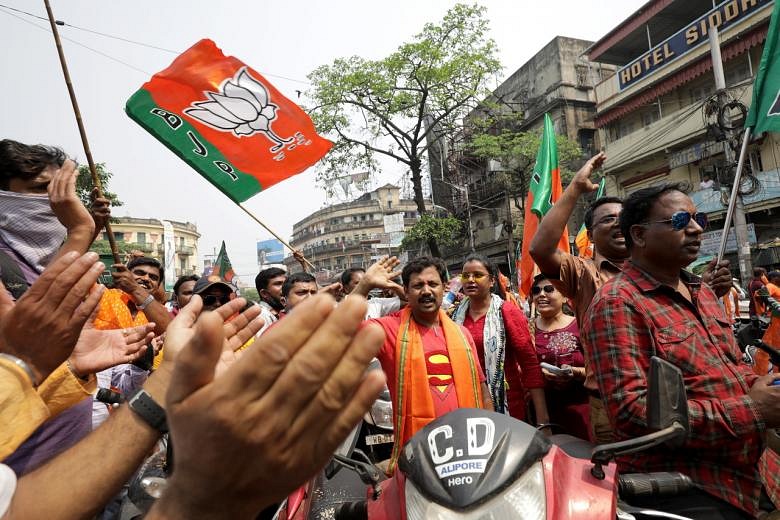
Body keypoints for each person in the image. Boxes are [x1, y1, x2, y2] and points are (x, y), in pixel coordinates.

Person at [582, 183, 780, 518]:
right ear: (640, 235)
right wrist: (751, 410)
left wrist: (764, 387)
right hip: (689, 487)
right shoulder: (617, 302)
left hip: (757, 474)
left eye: (698, 218)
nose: (697, 228)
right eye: (679, 221)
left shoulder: (701, 291)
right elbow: (632, 411)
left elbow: (729, 367)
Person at [358, 257, 491, 472]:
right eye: (418, 285)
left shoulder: (462, 333)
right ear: (406, 291)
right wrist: (364, 285)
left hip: (469, 450)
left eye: (433, 284)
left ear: (444, 287)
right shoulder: (389, 330)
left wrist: (489, 434)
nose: (426, 291)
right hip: (418, 455)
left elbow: (482, 389)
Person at [529, 152, 623, 443]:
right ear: (591, 235)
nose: (619, 224)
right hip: (608, 405)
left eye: (625, 218)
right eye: (608, 219)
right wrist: (576, 189)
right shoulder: (584, 275)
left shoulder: (659, 270)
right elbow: (541, 248)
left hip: (668, 402)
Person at [450, 254, 548, 425]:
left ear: (492, 281)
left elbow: (529, 363)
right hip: (466, 404)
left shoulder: (507, 312)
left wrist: (543, 420)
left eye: (478, 275)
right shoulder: (454, 317)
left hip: (507, 406)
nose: (470, 280)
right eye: (466, 276)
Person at [529, 275, 590, 441]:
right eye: (536, 290)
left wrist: (575, 372)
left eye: (548, 289)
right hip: (542, 414)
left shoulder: (581, 325)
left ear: (564, 297)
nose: (541, 294)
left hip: (582, 412)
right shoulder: (526, 329)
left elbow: (599, 369)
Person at [93, 256, 171, 337]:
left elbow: (171, 334)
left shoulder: (160, 312)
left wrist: (135, 289)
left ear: (158, 286)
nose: (146, 278)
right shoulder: (103, 295)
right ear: (126, 274)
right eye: (139, 273)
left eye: (153, 277)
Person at [756, 271, 780, 375]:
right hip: (776, 324)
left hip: (776, 322)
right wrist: (774, 304)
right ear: (775, 278)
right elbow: (761, 292)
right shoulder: (771, 286)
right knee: (773, 350)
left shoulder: (776, 287)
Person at [254, 266, 286, 334]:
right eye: (278, 284)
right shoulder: (261, 316)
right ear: (264, 293)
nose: (285, 287)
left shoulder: (278, 313)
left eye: (286, 283)